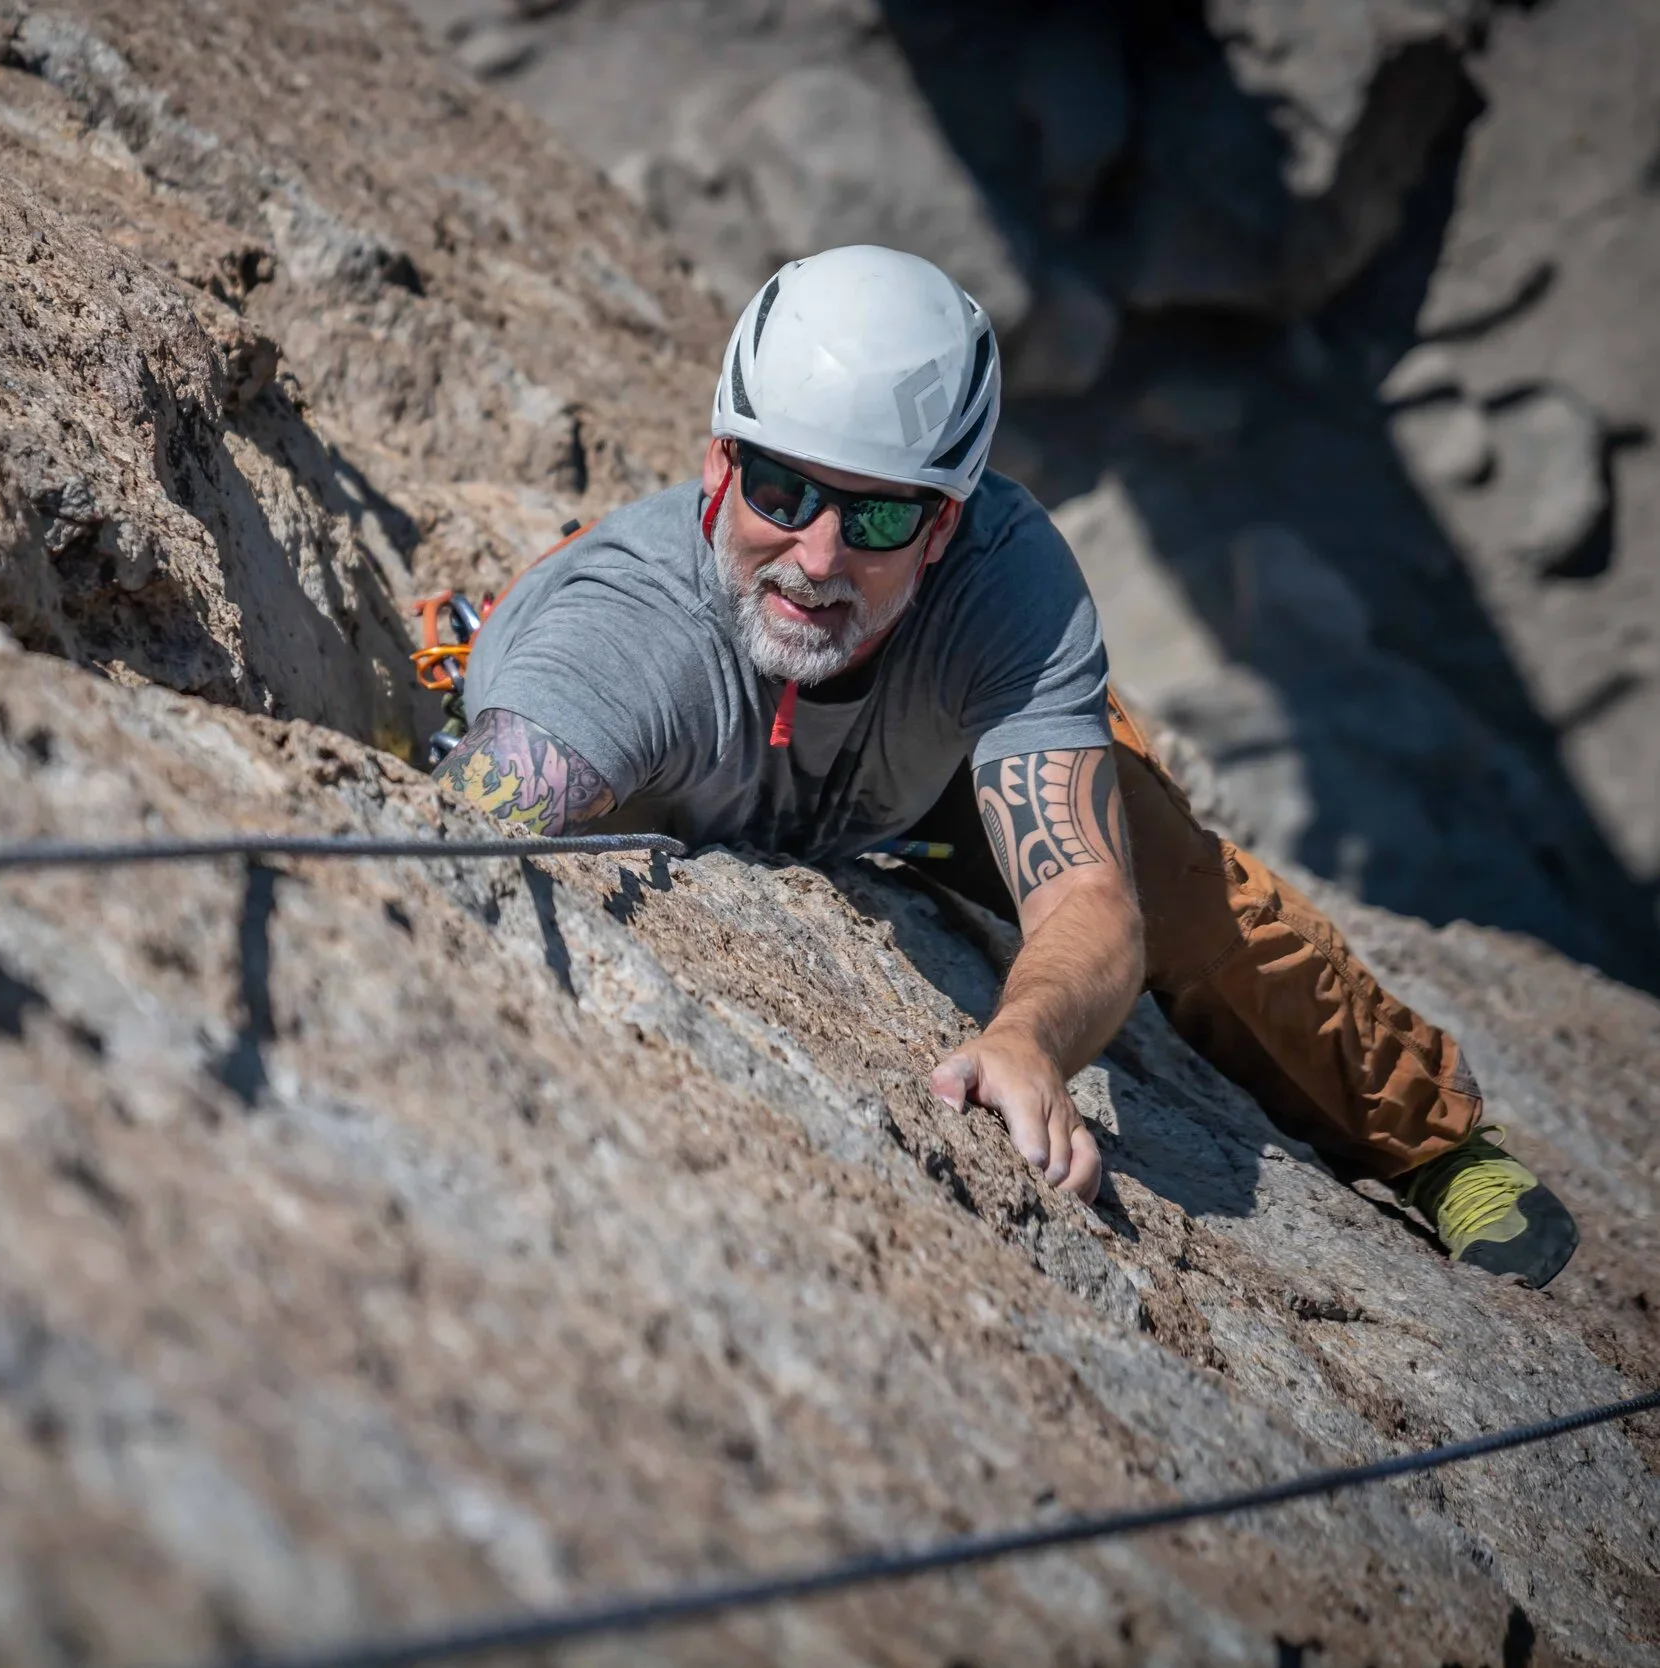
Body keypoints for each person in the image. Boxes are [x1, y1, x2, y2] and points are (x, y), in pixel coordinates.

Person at [436, 244, 1578, 1287]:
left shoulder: (1004, 587)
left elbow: (1092, 901)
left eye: (877, 518)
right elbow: (470, 823)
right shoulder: (621, 648)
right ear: (718, 467)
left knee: (1186, 893)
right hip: (726, 753)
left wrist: (1027, 1036)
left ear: (944, 527)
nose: (818, 556)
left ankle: (1434, 1146)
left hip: (931, 762)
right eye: (781, 492)